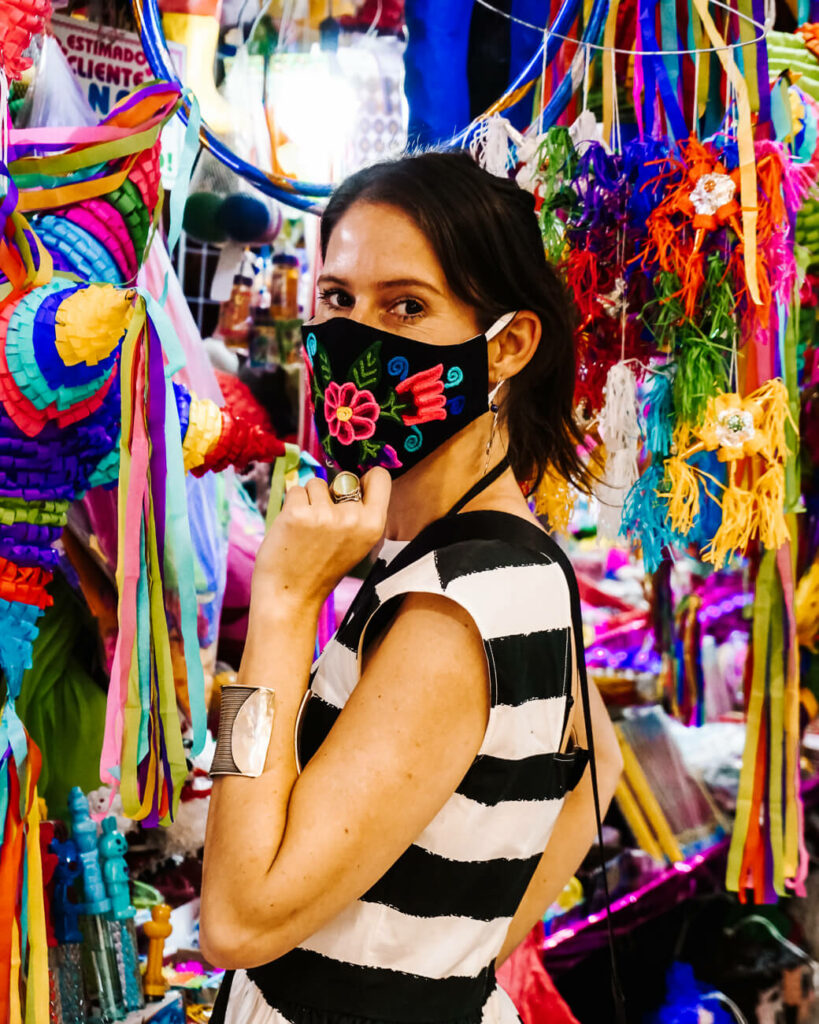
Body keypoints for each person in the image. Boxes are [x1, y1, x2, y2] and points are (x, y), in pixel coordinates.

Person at [201, 151, 623, 1024]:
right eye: (338, 301)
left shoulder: (452, 601)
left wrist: (280, 607)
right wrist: (442, 960)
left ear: (504, 345)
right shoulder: (511, 561)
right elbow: (596, 777)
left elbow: (238, 922)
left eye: (406, 305)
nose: (357, 339)